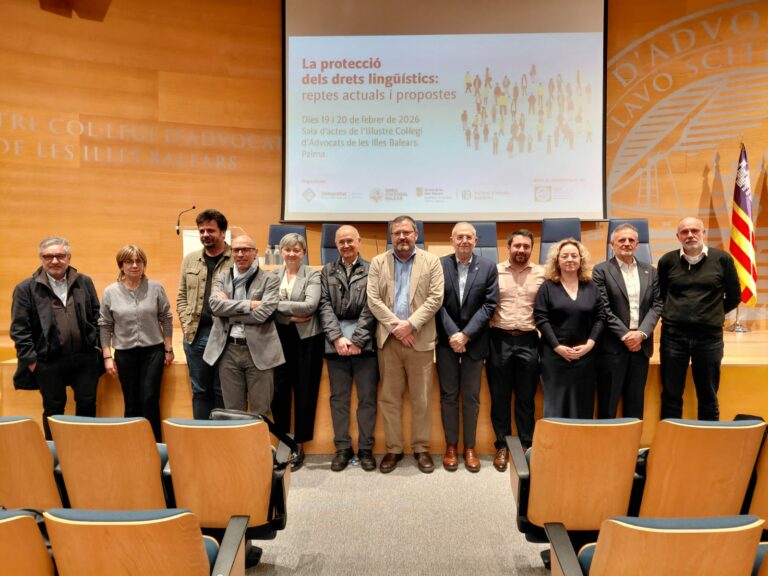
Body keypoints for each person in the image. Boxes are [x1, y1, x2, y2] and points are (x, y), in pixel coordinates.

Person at [367, 215, 444, 474]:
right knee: (389, 398)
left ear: (416, 234)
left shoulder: (431, 261)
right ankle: (394, 448)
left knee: (422, 399)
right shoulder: (378, 262)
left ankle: (421, 448)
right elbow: (373, 300)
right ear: (391, 236)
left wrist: (410, 325)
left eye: (407, 232)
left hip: (419, 340)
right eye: (397, 233)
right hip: (389, 340)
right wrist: (397, 328)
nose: (402, 237)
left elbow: (435, 298)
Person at [10, 236, 101, 440]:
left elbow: (97, 316)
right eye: (48, 256)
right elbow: (19, 329)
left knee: (87, 404)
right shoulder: (26, 288)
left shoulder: (84, 282)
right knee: (53, 408)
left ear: (68, 257)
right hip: (47, 362)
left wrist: (96, 348)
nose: (54, 261)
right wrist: (32, 362)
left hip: (84, 358)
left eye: (59, 256)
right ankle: (56, 454)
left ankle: (86, 449)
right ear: (41, 259)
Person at [657, 216, 741, 420]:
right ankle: (670, 447)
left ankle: (708, 445)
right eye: (684, 232)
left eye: (695, 230)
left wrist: (712, 314)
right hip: (673, 338)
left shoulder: (723, 259)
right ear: (678, 237)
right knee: (671, 395)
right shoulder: (667, 261)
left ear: (703, 233)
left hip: (709, 339)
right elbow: (660, 295)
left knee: (708, 396)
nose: (690, 235)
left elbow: (734, 296)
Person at [436, 222, 497, 472]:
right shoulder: (439, 265)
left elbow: (489, 305)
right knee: (449, 396)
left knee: (471, 397)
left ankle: (469, 447)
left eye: (468, 237)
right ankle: (451, 445)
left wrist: (466, 335)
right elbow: (435, 302)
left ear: (476, 240)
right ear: (452, 240)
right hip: (445, 341)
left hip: (475, 341)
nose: (464, 241)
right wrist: (454, 334)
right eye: (459, 237)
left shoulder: (488, 267)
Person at [318, 225, 379, 472]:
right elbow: (323, 305)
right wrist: (337, 338)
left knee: (367, 399)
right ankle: (342, 448)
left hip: (365, 344)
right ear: (335, 244)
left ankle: (365, 449)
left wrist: (358, 339)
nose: (345, 245)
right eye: (341, 242)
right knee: (339, 399)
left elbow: (373, 304)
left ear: (359, 241)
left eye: (349, 241)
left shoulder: (372, 269)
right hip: (336, 346)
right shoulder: (326, 271)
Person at [203, 235, 284, 417]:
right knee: (232, 412)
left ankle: (260, 447)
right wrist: (249, 305)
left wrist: (229, 311)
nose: (240, 254)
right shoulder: (223, 277)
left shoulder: (269, 279)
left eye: (246, 249)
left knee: (261, 411)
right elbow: (215, 307)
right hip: (228, 350)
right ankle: (237, 447)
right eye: (236, 250)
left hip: (260, 351)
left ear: (255, 253)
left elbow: (265, 313)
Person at [99, 245, 174, 441]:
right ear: (121, 265)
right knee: (131, 400)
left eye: (138, 261)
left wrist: (168, 348)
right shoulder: (110, 292)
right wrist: (107, 356)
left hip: (153, 351)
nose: (134, 265)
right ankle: (132, 444)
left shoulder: (155, 288)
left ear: (143, 264)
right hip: (125, 353)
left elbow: (166, 317)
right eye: (129, 261)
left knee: (149, 398)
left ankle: (155, 445)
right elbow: (105, 325)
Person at [486, 230, 545, 472]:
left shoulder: (542, 273)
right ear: (508, 247)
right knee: (499, 396)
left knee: (525, 397)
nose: (521, 250)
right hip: (498, 338)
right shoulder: (494, 272)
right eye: (517, 245)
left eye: (526, 246)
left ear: (531, 249)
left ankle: (525, 445)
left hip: (529, 339)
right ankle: (502, 445)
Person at [592, 224, 662, 419]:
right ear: (612, 244)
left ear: (637, 245)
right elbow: (604, 309)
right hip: (612, 347)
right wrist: (626, 335)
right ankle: (605, 449)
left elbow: (657, 305)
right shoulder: (601, 271)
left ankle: (631, 449)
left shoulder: (650, 271)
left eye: (631, 240)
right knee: (608, 405)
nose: (627, 243)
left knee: (635, 404)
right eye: (621, 240)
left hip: (641, 347)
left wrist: (640, 334)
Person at [271, 233, 324, 471]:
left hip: (307, 340)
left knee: (305, 391)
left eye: (296, 249)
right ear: (280, 251)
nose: (292, 253)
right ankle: (284, 441)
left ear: (303, 253)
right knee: (279, 392)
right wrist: (292, 316)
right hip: (278, 338)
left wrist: (278, 308)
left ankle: (299, 444)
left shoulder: (312, 274)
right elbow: (265, 306)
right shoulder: (272, 275)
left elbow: (311, 305)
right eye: (287, 249)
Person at [535, 238, 603, 419]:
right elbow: (541, 319)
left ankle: (580, 447)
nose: (570, 259)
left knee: (583, 405)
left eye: (574, 255)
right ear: (557, 260)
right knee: (556, 406)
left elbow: (600, 318)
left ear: (581, 260)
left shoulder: (591, 287)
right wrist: (557, 347)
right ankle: (556, 447)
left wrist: (589, 345)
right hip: (554, 357)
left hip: (585, 357)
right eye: (564, 256)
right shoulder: (547, 287)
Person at [176, 209, 232, 420]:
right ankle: (201, 439)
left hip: (224, 335)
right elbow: (181, 296)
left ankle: (220, 443)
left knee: (222, 390)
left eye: (210, 230)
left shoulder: (235, 259)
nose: (205, 234)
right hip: (195, 335)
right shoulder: (190, 260)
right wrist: (185, 322)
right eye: (201, 231)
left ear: (223, 232)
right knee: (200, 391)